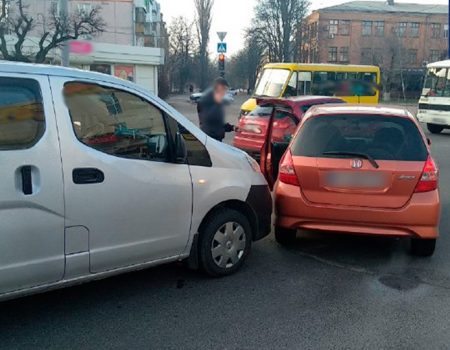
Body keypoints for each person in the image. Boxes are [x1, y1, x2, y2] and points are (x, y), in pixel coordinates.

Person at [197, 77, 235, 142]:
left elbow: (219, 123)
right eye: (224, 89)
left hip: (216, 139)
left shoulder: (217, 101)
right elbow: (210, 122)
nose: (224, 92)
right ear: (219, 87)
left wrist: (232, 127)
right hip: (210, 139)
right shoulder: (207, 101)